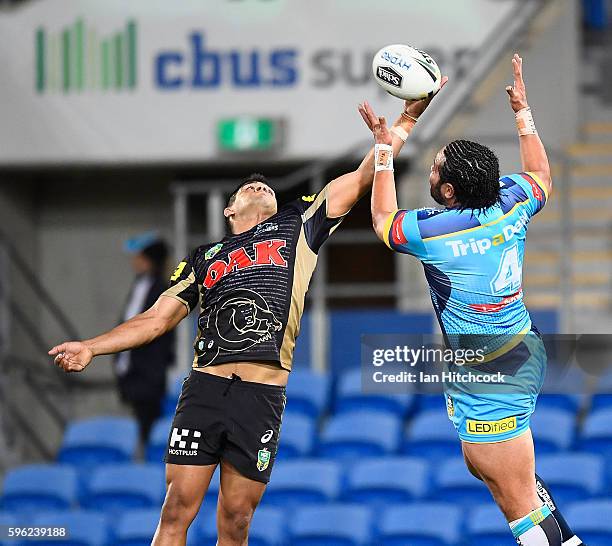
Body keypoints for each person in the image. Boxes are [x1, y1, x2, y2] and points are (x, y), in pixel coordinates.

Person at [47, 82, 447, 546]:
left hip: (260, 396)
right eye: (245, 186)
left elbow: (361, 180)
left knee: (235, 520)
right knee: (177, 509)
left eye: (265, 184)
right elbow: (155, 320)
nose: (257, 183)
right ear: (229, 208)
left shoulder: (301, 222)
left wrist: (405, 122)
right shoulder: (203, 257)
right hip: (206, 387)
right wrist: (91, 347)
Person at [363, 54, 585, 546]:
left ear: (445, 189)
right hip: (515, 352)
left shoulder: (433, 232)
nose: (434, 164)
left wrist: (383, 151)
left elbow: (381, 219)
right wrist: (522, 113)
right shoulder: (514, 200)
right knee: (511, 482)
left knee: (518, 503)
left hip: (490, 371)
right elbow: (542, 175)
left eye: (437, 166)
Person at [114, 234, 174, 445]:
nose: (134, 262)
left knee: (150, 429)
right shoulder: (138, 286)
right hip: (131, 372)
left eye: (139, 257)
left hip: (148, 374)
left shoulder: (161, 290)